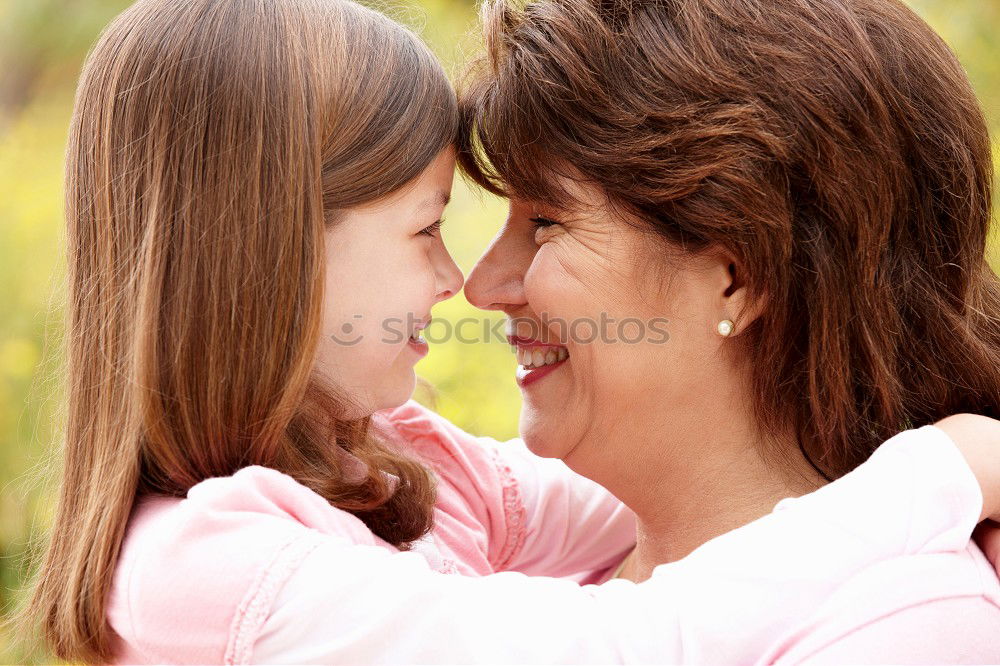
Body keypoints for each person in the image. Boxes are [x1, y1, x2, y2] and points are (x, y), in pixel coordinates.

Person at [9, 0, 999, 664]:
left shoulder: (908, 627)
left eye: (547, 222)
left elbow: (725, 494)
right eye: (430, 230)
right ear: (268, 261)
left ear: (737, 272)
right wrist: (936, 475)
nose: (471, 284)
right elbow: (629, 644)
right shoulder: (216, 565)